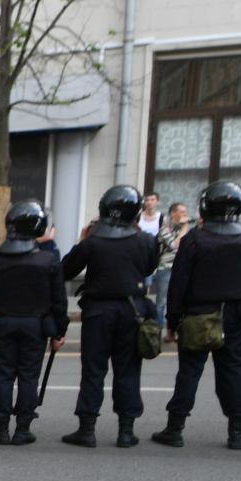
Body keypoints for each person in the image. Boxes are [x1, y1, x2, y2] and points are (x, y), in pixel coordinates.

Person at [151, 181, 241, 450]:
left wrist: (172, 320)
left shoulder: (195, 239)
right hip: (238, 312)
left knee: (189, 372)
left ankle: (175, 428)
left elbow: (179, 283)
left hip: (198, 313)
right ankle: (236, 432)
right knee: (234, 371)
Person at [59, 185, 158, 449]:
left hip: (98, 311)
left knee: (93, 370)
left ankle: (87, 428)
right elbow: (149, 266)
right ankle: (126, 431)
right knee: (128, 371)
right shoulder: (146, 241)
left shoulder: (93, 241)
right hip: (132, 310)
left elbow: (66, 270)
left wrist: (83, 240)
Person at [0, 200, 67, 445]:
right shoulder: (48, 261)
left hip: (3, 323)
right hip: (36, 325)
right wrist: (59, 331)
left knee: (3, 375)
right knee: (28, 376)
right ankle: (23, 428)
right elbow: (59, 301)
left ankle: (1, 428)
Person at [152, 202, 190, 327]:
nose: (185, 214)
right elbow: (175, 245)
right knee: (162, 302)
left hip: (181, 269)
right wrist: (184, 228)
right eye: (182, 212)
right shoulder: (164, 229)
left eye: (185, 212)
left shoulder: (184, 229)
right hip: (166, 269)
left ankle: (171, 330)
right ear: (173, 213)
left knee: (178, 301)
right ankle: (157, 329)